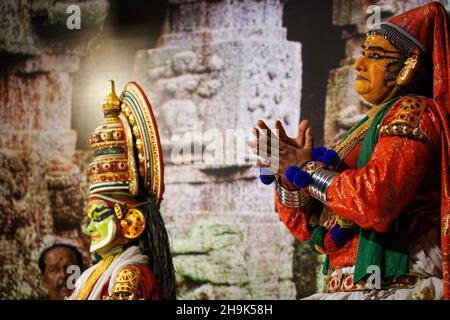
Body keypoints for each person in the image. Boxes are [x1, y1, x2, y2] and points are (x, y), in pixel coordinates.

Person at [250, 2, 450, 300]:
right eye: (363, 54)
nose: (359, 65)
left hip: (398, 283)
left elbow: (376, 201)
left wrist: (307, 170)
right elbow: (310, 227)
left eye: (377, 56)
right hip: (348, 287)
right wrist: (288, 175)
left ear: (409, 64)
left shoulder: (413, 110)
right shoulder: (362, 129)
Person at [67, 80, 176, 300]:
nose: (90, 227)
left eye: (98, 216)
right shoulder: (91, 276)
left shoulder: (128, 276)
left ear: (130, 221)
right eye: (91, 218)